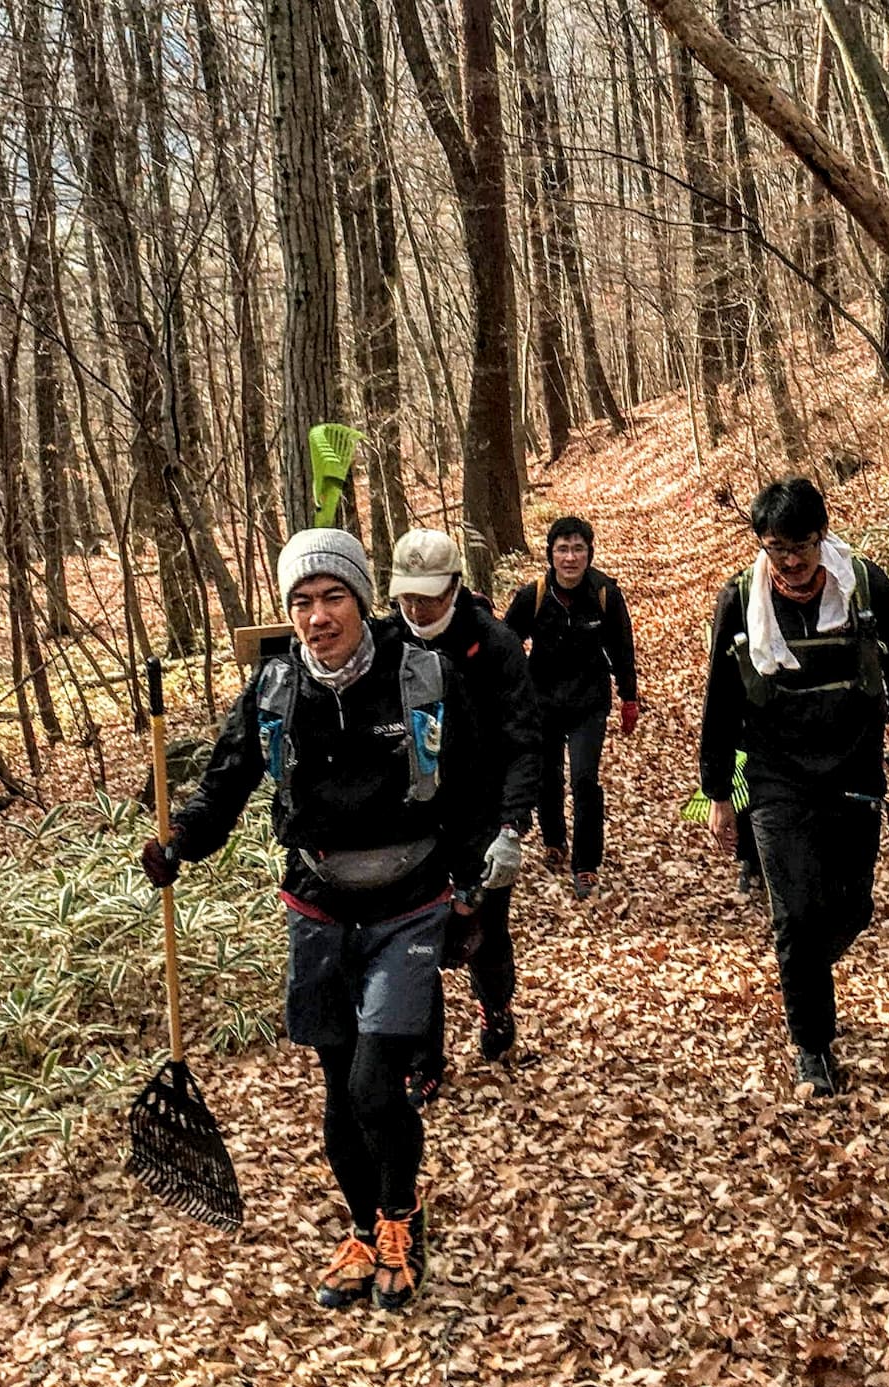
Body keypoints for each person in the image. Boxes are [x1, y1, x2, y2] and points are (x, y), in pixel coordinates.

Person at [139, 527, 492, 1311]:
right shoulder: (275, 689)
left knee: (375, 1083)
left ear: (364, 602)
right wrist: (180, 844)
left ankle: (403, 1218)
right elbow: (226, 781)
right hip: (317, 906)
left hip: (407, 904)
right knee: (338, 1087)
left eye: (333, 596)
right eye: (301, 600)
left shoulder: (421, 677)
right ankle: (365, 1231)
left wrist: (474, 895)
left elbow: (472, 789)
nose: (318, 615)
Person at [697, 477, 889, 1097]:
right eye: (777, 548)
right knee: (797, 915)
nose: (792, 562)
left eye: (801, 545)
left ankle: (804, 973)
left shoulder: (867, 586)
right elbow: (719, 701)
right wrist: (718, 792)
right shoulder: (738, 601)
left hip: (855, 770)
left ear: (822, 535)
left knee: (851, 908)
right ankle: (812, 1045)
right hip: (777, 778)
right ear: (762, 547)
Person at [389, 528, 543, 1099]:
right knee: (414, 940)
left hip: (480, 816)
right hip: (412, 818)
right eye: (407, 594)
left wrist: (511, 827)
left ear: (455, 585)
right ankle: (424, 1060)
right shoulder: (385, 641)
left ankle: (495, 1006)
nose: (416, 607)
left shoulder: (494, 643)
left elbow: (525, 739)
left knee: (482, 935)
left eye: (427, 594)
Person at [502, 515, 638, 900]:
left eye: (578, 548)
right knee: (547, 778)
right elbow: (506, 644)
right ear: (551, 554)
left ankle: (586, 865)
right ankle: (554, 839)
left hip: (589, 703)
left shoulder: (605, 593)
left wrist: (629, 696)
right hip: (541, 702)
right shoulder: (534, 595)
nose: (570, 557)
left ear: (589, 553)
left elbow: (622, 646)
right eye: (562, 549)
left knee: (584, 779)